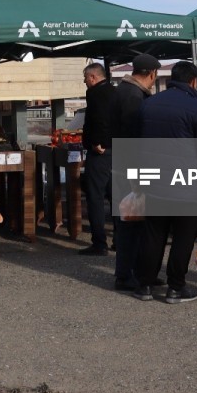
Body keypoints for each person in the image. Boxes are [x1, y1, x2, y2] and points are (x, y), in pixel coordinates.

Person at [134, 61, 197, 304]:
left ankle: (145, 285)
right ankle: (175, 287)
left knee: (153, 234)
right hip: (188, 185)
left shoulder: (148, 104)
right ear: (194, 81)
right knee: (183, 237)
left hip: (154, 182)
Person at [110, 53, 160, 292]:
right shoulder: (133, 97)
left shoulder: (122, 92)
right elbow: (134, 139)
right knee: (132, 223)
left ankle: (140, 271)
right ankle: (126, 275)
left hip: (122, 165)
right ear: (151, 74)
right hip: (133, 169)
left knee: (134, 222)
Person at [78, 62, 114, 256]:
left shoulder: (96, 94)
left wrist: (97, 141)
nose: (84, 82)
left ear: (92, 77)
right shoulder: (115, 92)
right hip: (117, 150)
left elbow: (98, 119)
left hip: (100, 152)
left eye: (85, 78)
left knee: (95, 196)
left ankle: (99, 242)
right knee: (115, 196)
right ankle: (120, 239)